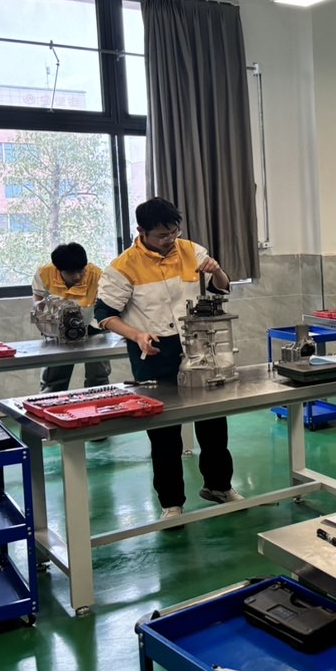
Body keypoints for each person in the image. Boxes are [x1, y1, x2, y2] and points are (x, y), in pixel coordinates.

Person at [94, 198, 243, 524]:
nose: (170, 240)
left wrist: (217, 270)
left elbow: (221, 289)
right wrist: (136, 334)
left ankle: (219, 485)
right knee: (164, 433)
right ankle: (171, 502)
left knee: (213, 421)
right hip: (154, 351)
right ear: (141, 231)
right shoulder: (123, 267)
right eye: (162, 235)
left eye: (174, 232)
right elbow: (104, 314)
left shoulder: (191, 251)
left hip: (197, 346)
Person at [32, 242, 112, 393]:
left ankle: (99, 402)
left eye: (80, 270)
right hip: (57, 330)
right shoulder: (44, 273)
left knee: (98, 377)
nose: (77, 276)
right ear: (58, 269)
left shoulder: (97, 276)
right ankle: (51, 402)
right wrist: (46, 325)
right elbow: (38, 299)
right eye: (70, 272)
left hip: (92, 328)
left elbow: (105, 306)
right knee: (54, 379)